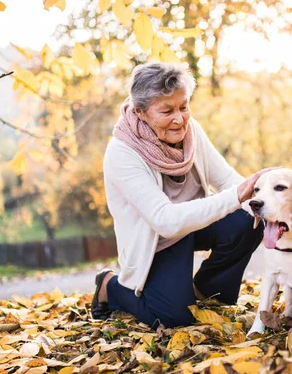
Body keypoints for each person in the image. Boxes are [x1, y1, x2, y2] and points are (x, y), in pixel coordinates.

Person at [91, 62, 270, 328]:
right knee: (173, 319)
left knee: (250, 220)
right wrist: (236, 196)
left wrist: (264, 203)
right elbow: (165, 220)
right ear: (141, 112)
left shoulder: (190, 130)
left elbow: (227, 180)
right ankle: (112, 286)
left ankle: (206, 293)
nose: (179, 118)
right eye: (167, 111)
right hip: (156, 240)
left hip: (193, 223)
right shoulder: (122, 153)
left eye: (183, 106)